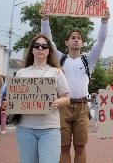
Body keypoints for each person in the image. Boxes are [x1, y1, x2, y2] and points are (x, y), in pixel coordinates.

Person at [40, 6, 110, 163]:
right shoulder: (60, 59)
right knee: (63, 147)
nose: (76, 39)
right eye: (72, 37)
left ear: (82, 42)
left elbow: (101, 41)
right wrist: (45, 20)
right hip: (62, 107)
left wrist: (104, 22)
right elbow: (48, 41)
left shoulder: (88, 60)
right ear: (66, 42)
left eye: (79, 37)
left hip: (82, 107)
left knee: (80, 147)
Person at [15, 34, 70, 163]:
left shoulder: (57, 72)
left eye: (44, 46)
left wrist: (57, 102)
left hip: (50, 129)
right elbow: (15, 99)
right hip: (25, 128)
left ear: (49, 51)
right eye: (37, 45)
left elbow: (66, 98)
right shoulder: (21, 73)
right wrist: (11, 103)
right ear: (32, 49)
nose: (40, 48)